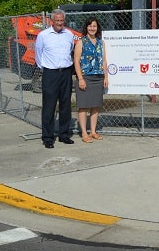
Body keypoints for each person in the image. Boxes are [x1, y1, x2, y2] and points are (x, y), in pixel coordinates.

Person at [34, 9, 75, 149]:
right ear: (52, 21)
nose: (59, 23)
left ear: (64, 21)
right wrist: (46, 69)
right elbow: (38, 55)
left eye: (61, 20)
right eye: (57, 21)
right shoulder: (43, 35)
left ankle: (64, 135)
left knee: (65, 105)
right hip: (50, 74)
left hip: (66, 73)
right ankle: (47, 137)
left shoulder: (69, 34)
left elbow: (71, 51)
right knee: (49, 106)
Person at [73, 17, 108, 143]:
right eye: (90, 26)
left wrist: (106, 77)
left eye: (94, 26)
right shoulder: (81, 42)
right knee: (83, 106)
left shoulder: (101, 42)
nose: (92, 28)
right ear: (86, 27)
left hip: (98, 78)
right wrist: (81, 79)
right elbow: (76, 61)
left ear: (97, 28)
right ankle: (84, 133)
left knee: (95, 106)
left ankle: (93, 131)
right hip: (85, 78)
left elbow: (104, 61)